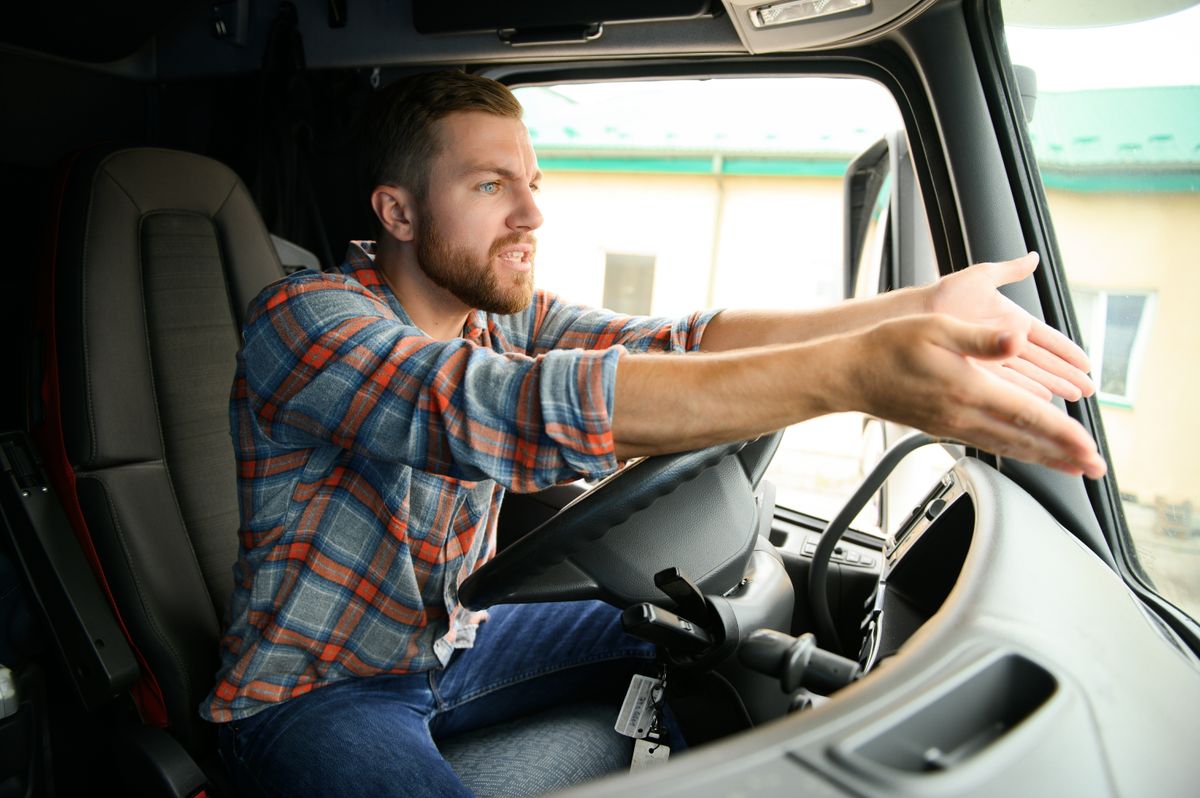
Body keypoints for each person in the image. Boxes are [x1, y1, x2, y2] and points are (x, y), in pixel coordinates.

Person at [201, 71, 1105, 797]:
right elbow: (495, 409)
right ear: (397, 214)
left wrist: (908, 309)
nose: (532, 215)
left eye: (533, 184)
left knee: (693, 632)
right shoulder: (304, 320)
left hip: (456, 643)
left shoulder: (497, 317)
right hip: (313, 695)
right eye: (490, 186)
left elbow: (676, 343)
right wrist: (853, 377)